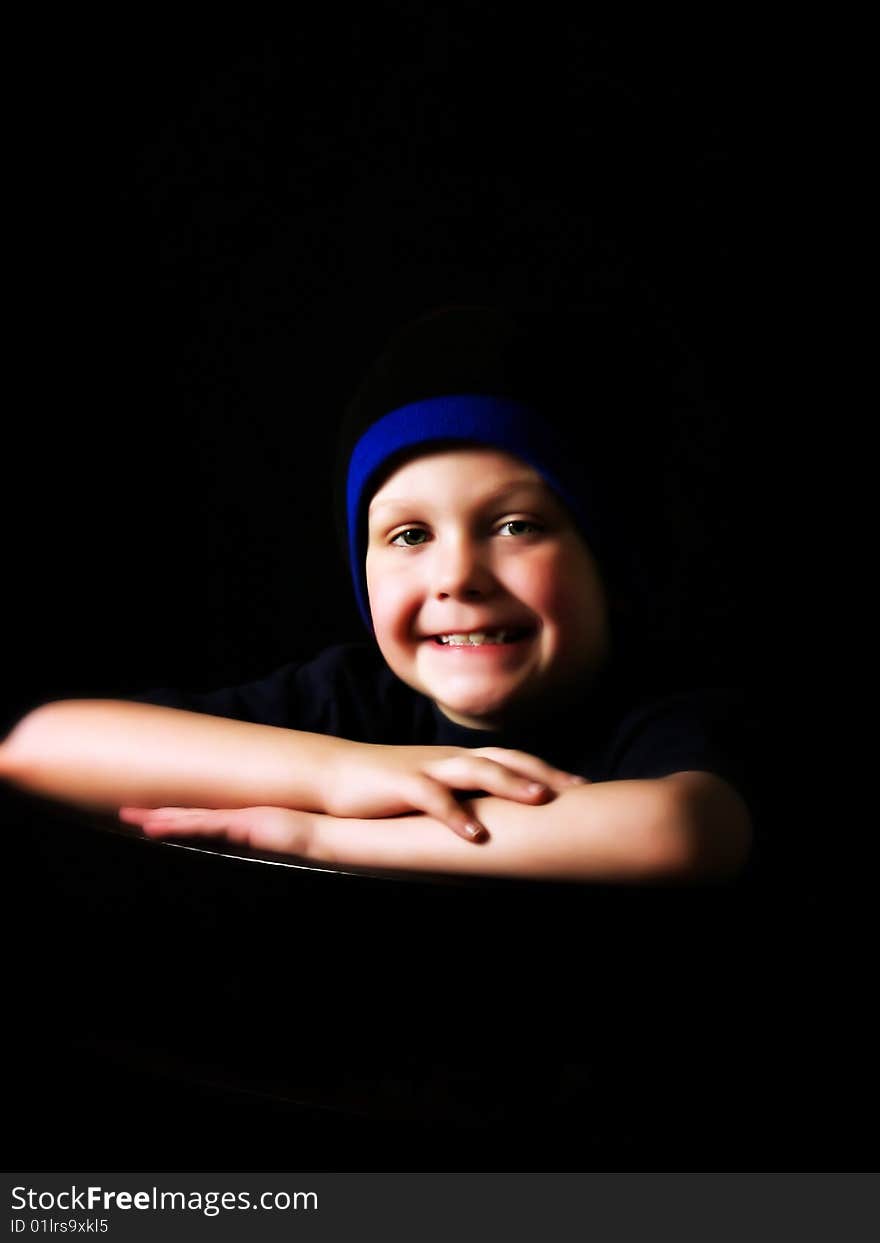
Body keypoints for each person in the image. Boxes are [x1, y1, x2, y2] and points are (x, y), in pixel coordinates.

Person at [0, 307, 761, 883]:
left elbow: (679, 828)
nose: (457, 575)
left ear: (610, 556)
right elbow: (37, 746)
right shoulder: (349, 706)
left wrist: (319, 839)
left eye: (515, 524)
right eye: (408, 535)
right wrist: (340, 777)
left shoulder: (668, 711)